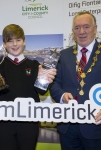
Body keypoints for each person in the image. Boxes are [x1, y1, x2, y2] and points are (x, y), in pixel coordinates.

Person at [0, 24, 56, 150]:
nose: (15, 44)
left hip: (29, 122)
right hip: (3, 122)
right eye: (10, 41)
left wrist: (46, 79)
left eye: (18, 40)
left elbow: (41, 91)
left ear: (24, 42)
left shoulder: (34, 65)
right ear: (4, 44)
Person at [50, 11, 101, 150]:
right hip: (68, 127)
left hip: (96, 126)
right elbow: (54, 83)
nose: (82, 32)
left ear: (95, 29)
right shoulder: (64, 55)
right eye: (77, 28)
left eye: (86, 26)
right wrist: (61, 96)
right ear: (73, 31)